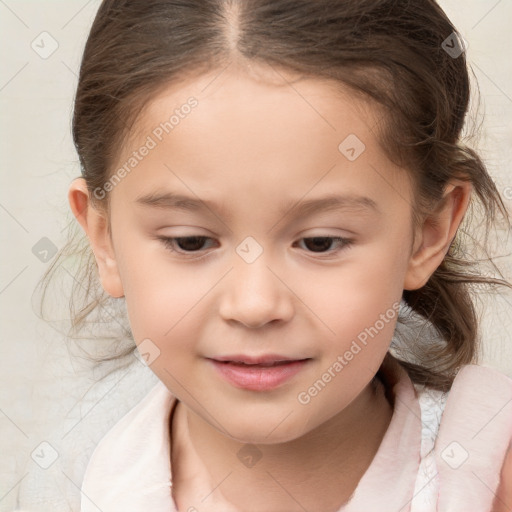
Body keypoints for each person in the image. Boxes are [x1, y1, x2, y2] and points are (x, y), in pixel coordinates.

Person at [43, 0, 512, 510]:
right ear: (104, 238)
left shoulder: (486, 478)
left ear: (428, 232)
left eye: (320, 242)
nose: (254, 304)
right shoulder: (75, 479)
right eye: (190, 241)